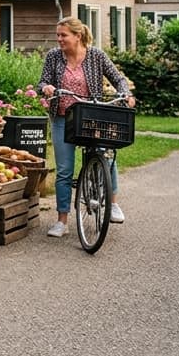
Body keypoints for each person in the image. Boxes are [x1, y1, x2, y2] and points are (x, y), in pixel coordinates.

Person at [38, 16, 136, 238]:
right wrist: (47, 88)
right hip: (63, 118)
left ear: (77, 36)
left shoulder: (96, 56)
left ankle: (113, 204)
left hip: (92, 116)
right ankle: (62, 221)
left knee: (107, 155)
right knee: (64, 171)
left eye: (63, 35)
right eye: (58, 35)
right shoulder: (54, 56)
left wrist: (126, 94)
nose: (59, 39)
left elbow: (118, 78)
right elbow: (42, 82)